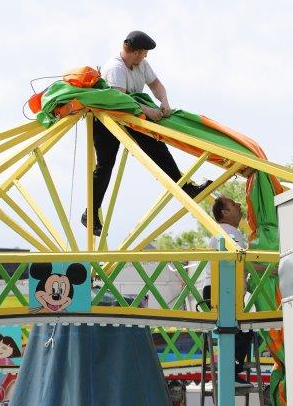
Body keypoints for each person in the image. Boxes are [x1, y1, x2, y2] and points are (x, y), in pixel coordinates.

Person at [81, 31, 211, 235]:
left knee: (157, 148)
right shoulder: (115, 68)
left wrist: (164, 101)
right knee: (105, 166)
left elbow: (156, 84)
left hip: (131, 117)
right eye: (144, 52)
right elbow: (120, 101)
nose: (146, 56)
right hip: (108, 120)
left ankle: (186, 188)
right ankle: (90, 214)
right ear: (135, 52)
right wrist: (148, 111)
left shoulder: (141, 64)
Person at [201, 195, 253, 382]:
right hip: (223, 290)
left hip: (216, 290)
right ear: (224, 212)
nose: (238, 205)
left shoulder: (220, 232)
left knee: (236, 330)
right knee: (244, 329)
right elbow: (239, 261)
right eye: (233, 204)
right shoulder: (230, 232)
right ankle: (230, 372)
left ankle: (229, 371)